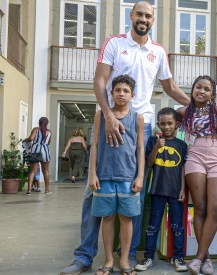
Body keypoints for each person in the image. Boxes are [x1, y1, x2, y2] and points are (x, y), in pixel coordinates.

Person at [60, 2, 190, 274]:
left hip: (139, 125)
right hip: (108, 121)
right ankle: (85, 256)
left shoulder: (157, 52)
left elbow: (171, 87)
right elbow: (99, 81)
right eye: (139, 14)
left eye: (148, 16)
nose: (143, 19)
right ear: (131, 16)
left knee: (136, 192)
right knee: (92, 192)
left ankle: (126, 256)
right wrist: (107, 115)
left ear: (153, 20)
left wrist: (199, 106)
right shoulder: (114, 44)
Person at [90, 74, 144, 275]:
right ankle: (109, 259)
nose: (121, 94)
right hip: (104, 176)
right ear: (111, 93)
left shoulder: (137, 118)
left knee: (126, 219)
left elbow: (139, 148)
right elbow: (94, 144)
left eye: (126, 91)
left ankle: (124, 260)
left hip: (128, 177)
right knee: (108, 218)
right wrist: (92, 173)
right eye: (118, 90)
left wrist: (140, 176)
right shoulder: (100, 115)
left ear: (132, 95)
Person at [177, 75, 217, 275]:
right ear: (192, 89)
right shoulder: (182, 112)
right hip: (194, 155)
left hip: (216, 155)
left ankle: (198, 257)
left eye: (207, 89)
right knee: (200, 207)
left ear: (212, 93)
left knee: (216, 209)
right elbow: (176, 136)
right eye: (199, 87)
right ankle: (205, 259)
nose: (202, 91)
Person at [135, 107, 188, 272]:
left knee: (177, 226)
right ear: (158, 125)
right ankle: (148, 257)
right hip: (157, 190)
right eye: (163, 124)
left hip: (175, 191)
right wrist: (157, 147)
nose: (166, 127)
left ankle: (178, 257)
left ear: (177, 124)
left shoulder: (182, 145)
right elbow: (149, 163)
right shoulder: (152, 141)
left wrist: (183, 189)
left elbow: (183, 169)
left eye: (170, 123)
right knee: (153, 225)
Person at [24, 117, 52, 195]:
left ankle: (29, 190)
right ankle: (47, 190)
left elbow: (31, 138)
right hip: (45, 151)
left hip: (35, 151)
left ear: (39, 122)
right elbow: (49, 142)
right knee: (46, 171)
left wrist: (26, 140)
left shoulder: (36, 129)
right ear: (47, 123)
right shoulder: (49, 132)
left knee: (32, 171)